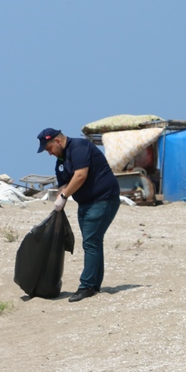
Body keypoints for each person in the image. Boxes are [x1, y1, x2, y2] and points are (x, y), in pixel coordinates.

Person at [37, 128, 120, 302]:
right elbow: (64, 184)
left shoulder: (79, 147)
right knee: (93, 242)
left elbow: (81, 175)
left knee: (91, 242)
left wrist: (65, 196)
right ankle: (94, 284)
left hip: (103, 199)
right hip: (85, 203)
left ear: (57, 141)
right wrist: (59, 200)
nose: (49, 153)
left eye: (49, 148)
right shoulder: (61, 160)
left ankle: (87, 286)